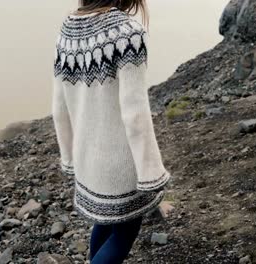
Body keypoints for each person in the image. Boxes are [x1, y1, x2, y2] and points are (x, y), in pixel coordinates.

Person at [51, 1, 171, 263]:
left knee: (105, 223)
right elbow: (134, 112)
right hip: (121, 163)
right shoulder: (128, 33)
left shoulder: (68, 27)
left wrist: (69, 158)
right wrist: (151, 173)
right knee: (124, 233)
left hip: (87, 159)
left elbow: (59, 106)